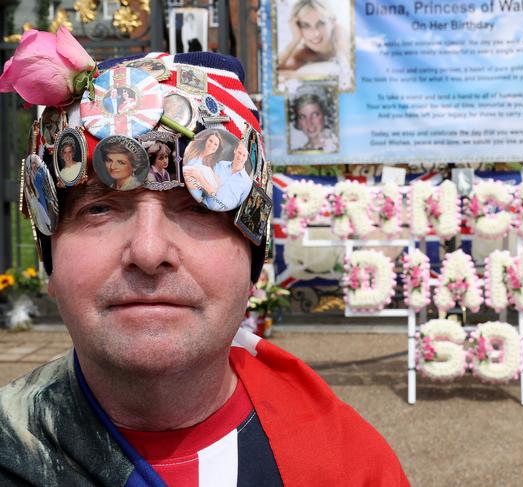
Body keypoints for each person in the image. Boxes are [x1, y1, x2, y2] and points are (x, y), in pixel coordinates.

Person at [0, 48, 409, 486]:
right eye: (100, 208)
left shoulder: (350, 468)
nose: (149, 250)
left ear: (254, 251)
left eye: (201, 206)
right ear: (51, 255)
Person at [277, 0, 351, 85]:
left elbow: (348, 72)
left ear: (333, 22)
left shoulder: (340, 35)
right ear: (297, 28)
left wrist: (295, 75)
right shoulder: (303, 53)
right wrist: (295, 39)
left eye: (321, 24)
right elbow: (274, 72)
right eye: (305, 26)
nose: (315, 33)